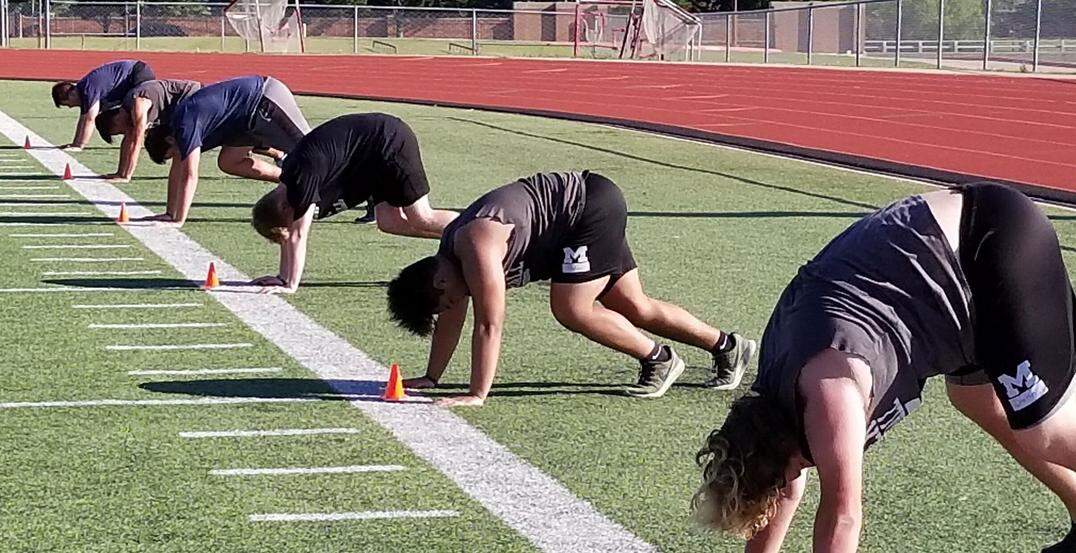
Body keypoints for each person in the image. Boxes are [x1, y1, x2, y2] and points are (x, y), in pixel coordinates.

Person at [692, 182, 1076, 553]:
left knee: (1044, 431)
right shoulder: (772, 405)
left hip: (989, 241)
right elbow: (785, 490)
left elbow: (843, 517)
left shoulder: (829, 390)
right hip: (951, 281)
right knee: (974, 399)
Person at [385, 171, 755, 407]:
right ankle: (728, 347)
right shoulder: (448, 261)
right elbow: (451, 319)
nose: (455, 304)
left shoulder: (477, 246)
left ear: (440, 281)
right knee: (634, 306)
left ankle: (659, 360)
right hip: (581, 214)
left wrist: (477, 394)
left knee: (570, 307)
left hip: (586, 211)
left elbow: (489, 324)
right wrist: (433, 377)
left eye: (448, 300)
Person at [249, 113, 458, 292]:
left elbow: (298, 234)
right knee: (389, 222)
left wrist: (290, 284)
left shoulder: (301, 177)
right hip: (371, 160)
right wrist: (281, 276)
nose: (293, 222)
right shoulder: (288, 185)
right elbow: (291, 234)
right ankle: (457, 243)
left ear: (284, 208)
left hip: (390, 140)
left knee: (421, 216)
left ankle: (471, 232)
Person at [143, 75, 309, 226]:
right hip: (243, 123)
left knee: (311, 150)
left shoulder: (185, 125)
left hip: (263, 98)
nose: (177, 157)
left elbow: (189, 175)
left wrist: (179, 219)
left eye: (172, 153)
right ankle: (289, 181)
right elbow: (177, 170)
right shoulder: (176, 133)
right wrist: (170, 213)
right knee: (229, 162)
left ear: (169, 139)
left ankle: (327, 187)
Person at [94, 79, 202, 183]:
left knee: (181, 141)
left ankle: (187, 177)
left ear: (116, 120)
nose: (123, 132)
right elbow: (128, 139)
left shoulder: (138, 103)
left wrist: (126, 175)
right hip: (180, 105)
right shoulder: (128, 111)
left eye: (119, 131)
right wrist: (120, 172)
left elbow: (137, 140)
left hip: (193, 96)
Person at [51, 59, 155, 151]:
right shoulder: (83, 89)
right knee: (130, 115)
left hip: (137, 74)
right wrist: (75, 143)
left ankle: (140, 140)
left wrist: (80, 145)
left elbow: (90, 118)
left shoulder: (88, 89)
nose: (70, 107)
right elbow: (83, 118)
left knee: (133, 114)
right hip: (134, 75)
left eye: (68, 103)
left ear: (72, 94)